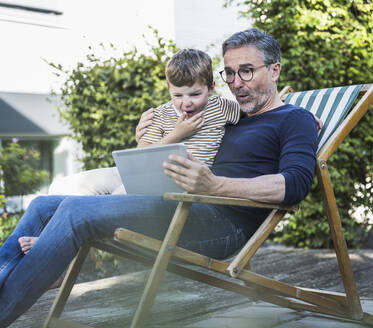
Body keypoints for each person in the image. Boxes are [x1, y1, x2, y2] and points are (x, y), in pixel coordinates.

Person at [0, 28, 318, 326]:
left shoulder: (295, 118)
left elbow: (295, 184)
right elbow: (175, 143)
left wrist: (215, 185)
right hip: (178, 202)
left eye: (246, 70)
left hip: (220, 222)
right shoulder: (225, 114)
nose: (236, 82)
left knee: (74, 211)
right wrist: (147, 141)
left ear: (275, 70)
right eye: (230, 73)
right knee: (43, 205)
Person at [19, 48, 241, 254]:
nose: (186, 103)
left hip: (182, 182)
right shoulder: (160, 115)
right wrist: (176, 134)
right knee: (67, 186)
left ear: (211, 87)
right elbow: (141, 155)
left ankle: (58, 243)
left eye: (195, 94)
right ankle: (61, 241)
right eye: (178, 96)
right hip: (150, 172)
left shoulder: (222, 108)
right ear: (169, 89)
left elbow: (255, 115)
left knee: (118, 198)